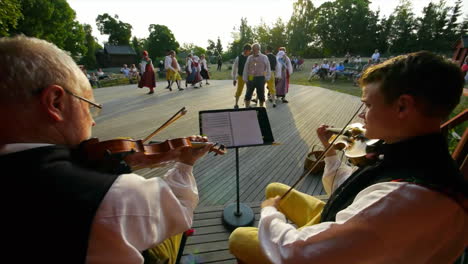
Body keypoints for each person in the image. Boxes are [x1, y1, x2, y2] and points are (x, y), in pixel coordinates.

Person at [229, 51, 467, 263]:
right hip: (347, 224)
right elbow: (355, 188)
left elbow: (294, 253)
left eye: (368, 105)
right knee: (274, 189)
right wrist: (331, 152)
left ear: (403, 107)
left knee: (240, 237)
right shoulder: (417, 155)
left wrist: (270, 213)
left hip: (324, 248)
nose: (362, 115)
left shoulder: (401, 198)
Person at [0, 36, 214, 264]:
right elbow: (179, 210)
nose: (92, 122)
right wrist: (185, 163)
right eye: (89, 107)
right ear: (55, 102)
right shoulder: (110, 198)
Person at [242, 43, 271, 108]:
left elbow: (268, 68)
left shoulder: (264, 57)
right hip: (251, 77)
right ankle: (247, 108)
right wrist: (245, 78)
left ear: (258, 49)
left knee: (261, 94)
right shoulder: (249, 57)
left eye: (255, 49)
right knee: (248, 93)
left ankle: (261, 108)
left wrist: (267, 78)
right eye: (253, 49)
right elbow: (246, 68)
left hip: (260, 78)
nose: (254, 50)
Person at [232, 44, 252, 109]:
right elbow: (234, 68)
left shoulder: (251, 57)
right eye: (248, 51)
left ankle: (247, 104)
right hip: (241, 76)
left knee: (249, 90)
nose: (249, 52)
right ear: (245, 50)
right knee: (239, 90)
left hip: (250, 76)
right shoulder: (239, 58)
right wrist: (234, 79)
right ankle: (236, 104)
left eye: (249, 51)